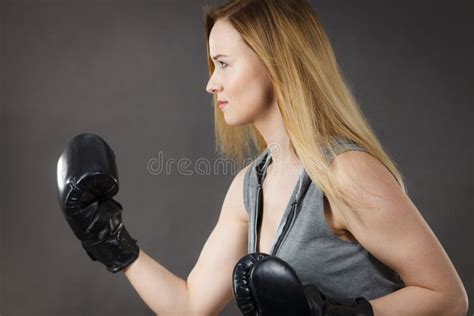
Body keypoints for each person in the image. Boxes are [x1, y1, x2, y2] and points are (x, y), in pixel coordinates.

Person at [56, 0, 468, 315]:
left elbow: (448, 298)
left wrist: (340, 313)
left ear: (275, 62)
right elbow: (190, 305)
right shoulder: (248, 187)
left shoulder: (345, 173)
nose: (210, 84)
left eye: (222, 64)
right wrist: (109, 239)